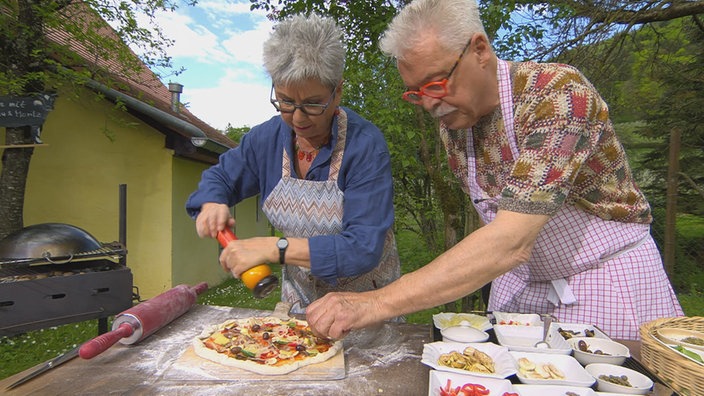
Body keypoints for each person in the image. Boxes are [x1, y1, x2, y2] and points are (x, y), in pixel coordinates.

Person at [306, 0, 683, 341]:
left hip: (602, 282)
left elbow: (509, 241)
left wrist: (375, 303)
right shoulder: (454, 124)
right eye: (415, 92)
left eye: (436, 84)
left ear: (480, 51)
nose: (428, 104)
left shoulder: (556, 95)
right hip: (522, 284)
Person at [186, 13, 401, 316]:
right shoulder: (266, 140)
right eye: (286, 101)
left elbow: (363, 248)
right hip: (301, 305)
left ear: (337, 91)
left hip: (365, 309)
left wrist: (276, 248)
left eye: (313, 103)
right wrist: (211, 203)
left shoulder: (365, 146)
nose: (298, 118)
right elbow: (220, 177)